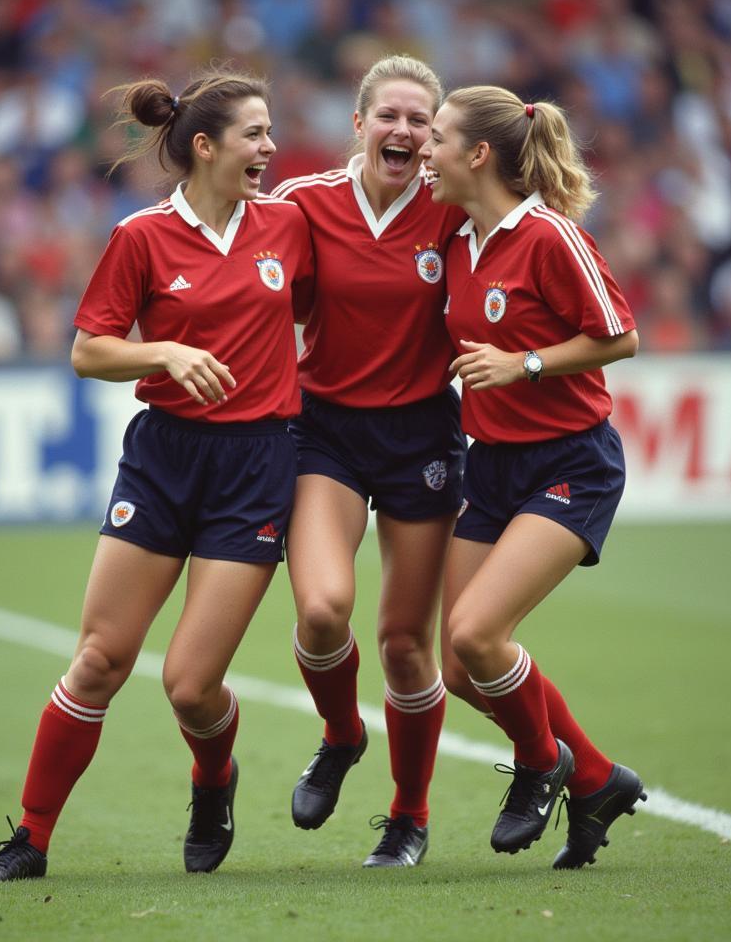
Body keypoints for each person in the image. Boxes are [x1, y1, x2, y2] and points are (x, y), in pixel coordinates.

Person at [0, 70, 313, 881]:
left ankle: (213, 779)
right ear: (206, 146)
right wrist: (164, 350)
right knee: (99, 660)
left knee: (192, 688)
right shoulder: (141, 238)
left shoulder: (291, 227)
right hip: (163, 461)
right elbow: (89, 350)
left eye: (270, 133)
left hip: (257, 466)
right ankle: (32, 840)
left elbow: (328, 312)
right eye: (255, 134)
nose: (269, 148)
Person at [419, 85, 645, 870]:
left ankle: (538, 765)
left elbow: (618, 336)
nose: (425, 150)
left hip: (570, 463)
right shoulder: (456, 239)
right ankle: (592, 776)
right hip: (492, 466)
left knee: (480, 635)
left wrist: (526, 364)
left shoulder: (549, 236)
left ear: (478, 154)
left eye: (438, 137)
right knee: (457, 665)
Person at [270, 55, 466, 868]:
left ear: (436, 136)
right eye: (389, 115)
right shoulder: (303, 202)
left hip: (423, 438)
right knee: (321, 610)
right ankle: (343, 732)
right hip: (330, 434)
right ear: (358, 125)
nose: (405, 131)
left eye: (421, 120)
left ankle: (408, 817)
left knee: (404, 647)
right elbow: (246, 285)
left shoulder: (454, 208)